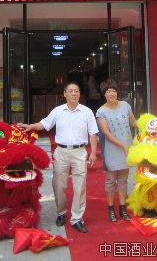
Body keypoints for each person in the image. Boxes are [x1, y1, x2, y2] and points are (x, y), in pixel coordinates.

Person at [21, 82, 98, 234]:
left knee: (80, 186)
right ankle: (61, 212)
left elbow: (93, 133)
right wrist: (31, 126)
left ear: (79, 94)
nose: (74, 94)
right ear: (65, 94)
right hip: (61, 152)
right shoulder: (58, 111)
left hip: (79, 152)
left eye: (76, 91)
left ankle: (77, 218)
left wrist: (94, 152)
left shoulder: (87, 112)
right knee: (58, 185)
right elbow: (44, 124)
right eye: (71, 91)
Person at [95, 79, 137, 222]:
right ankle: (111, 209)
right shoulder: (101, 112)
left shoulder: (125, 105)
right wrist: (123, 146)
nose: (112, 94)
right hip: (112, 149)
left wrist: (148, 124)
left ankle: (123, 208)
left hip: (127, 147)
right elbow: (106, 134)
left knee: (123, 180)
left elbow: (133, 122)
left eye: (113, 91)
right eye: (108, 91)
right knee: (111, 180)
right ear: (104, 94)